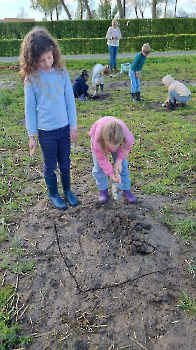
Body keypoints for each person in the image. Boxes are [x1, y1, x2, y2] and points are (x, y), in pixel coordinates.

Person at [19, 26, 78, 211]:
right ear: (31, 59)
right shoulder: (32, 79)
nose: (47, 63)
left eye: (50, 57)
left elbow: (70, 102)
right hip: (46, 132)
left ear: (55, 53)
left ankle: (67, 190)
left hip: (64, 128)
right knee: (50, 163)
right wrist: (31, 136)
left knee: (65, 161)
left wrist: (73, 127)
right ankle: (54, 193)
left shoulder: (62, 73)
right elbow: (29, 109)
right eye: (41, 60)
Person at [89, 116, 137, 204]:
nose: (112, 149)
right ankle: (103, 190)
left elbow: (126, 148)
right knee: (99, 168)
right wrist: (111, 174)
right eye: (110, 146)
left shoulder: (127, 137)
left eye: (116, 146)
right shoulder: (97, 141)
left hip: (117, 143)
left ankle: (126, 190)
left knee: (123, 167)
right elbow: (102, 159)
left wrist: (119, 160)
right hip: (100, 143)